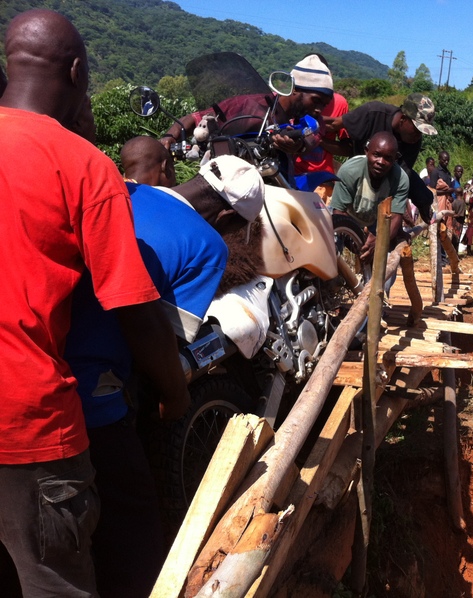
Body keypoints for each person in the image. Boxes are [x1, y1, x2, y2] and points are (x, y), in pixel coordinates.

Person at [0, 9, 190, 596]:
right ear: (77, 71)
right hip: (27, 429)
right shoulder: (84, 165)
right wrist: (175, 389)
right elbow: (133, 306)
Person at [64, 154, 263, 597]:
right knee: (136, 530)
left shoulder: (126, 191)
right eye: (235, 229)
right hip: (94, 390)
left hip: (45, 351)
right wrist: (174, 397)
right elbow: (160, 343)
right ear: (227, 216)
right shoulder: (207, 245)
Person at [164, 54, 334, 183]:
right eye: (316, 100)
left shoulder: (312, 121)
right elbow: (195, 118)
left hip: (279, 184)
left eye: (324, 104)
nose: (319, 109)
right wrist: (168, 137)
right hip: (232, 179)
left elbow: (312, 139)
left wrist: (298, 144)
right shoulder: (250, 103)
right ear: (295, 89)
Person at [325, 93, 437, 222]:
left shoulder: (413, 140)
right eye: (417, 130)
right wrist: (315, 135)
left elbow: (400, 178)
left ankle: (427, 213)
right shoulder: (372, 113)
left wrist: (398, 213)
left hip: (385, 180)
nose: (419, 136)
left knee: (424, 196)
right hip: (358, 175)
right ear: (403, 119)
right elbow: (334, 125)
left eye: (422, 132)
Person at [330, 131, 409, 264]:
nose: (381, 162)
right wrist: (356, 242)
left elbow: (395, 217)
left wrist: (379, 242)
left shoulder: (400, 179)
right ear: (367, 151)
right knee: (331, 251)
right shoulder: (350, 171)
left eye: (388, 158)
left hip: (376, 224)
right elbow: (339, 211)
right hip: (347, 218)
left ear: (395, 159)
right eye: (376, 155)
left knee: (386, 265)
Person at [430, 150, 455, 235]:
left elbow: (448, 187)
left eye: (448, 160)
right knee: (439, 222)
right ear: (439, 159)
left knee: (447, 223)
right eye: (444, 160)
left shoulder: (448, 173)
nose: (446, 162)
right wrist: (447, 191)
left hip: (447, 201)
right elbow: (432, 191)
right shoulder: (435, 172)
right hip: (438, 201)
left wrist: (449, 195)